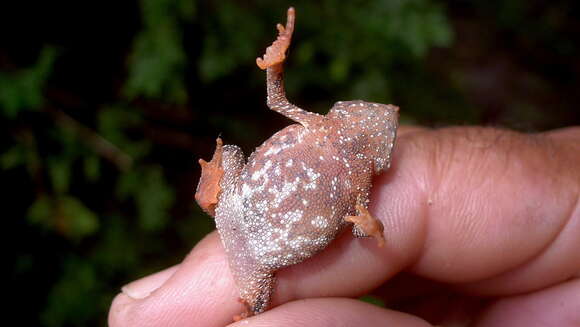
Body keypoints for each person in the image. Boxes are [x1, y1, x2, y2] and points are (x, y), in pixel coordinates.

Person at [108, 126, 580, 327]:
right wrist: (275, 59)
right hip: (246, 220)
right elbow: (275, 97)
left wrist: (369, 224)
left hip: (260, 244)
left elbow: (364, 228)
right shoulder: (324, 136)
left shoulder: (357, 178)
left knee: (255, 304)